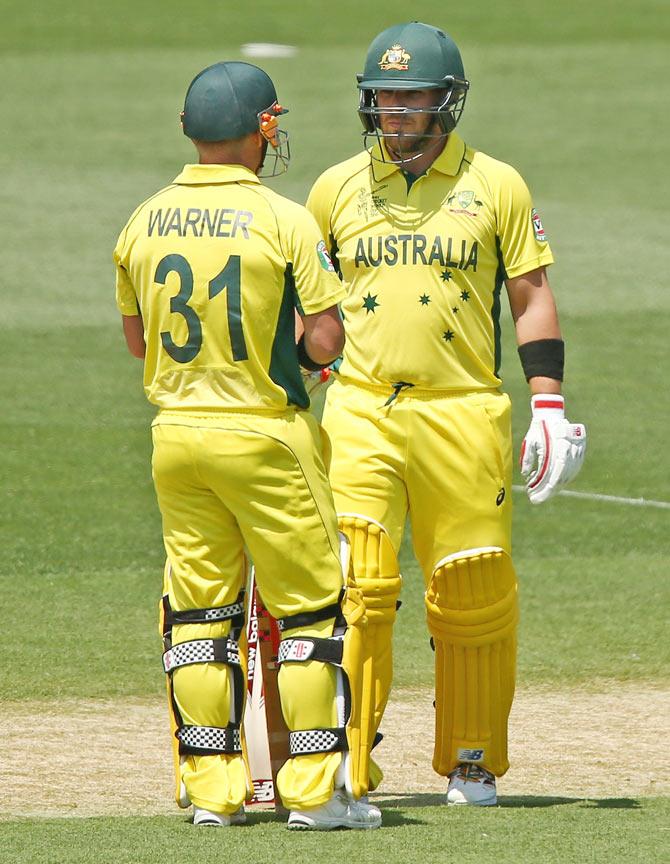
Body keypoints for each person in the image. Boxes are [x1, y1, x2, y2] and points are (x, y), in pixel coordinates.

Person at [306, 22, 586, 807]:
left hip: (464, 412)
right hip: (360, 408)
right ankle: (342, 763)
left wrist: (550, 405)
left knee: (473, 592)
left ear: (446, 102)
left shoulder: (497, 185)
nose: (396, 113)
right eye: (383, 98)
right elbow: (309, 307)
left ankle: (472, 759)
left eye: (411, 97)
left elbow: (530, 297)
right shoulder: (334, 188)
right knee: (357, 586)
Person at [113, 60, 381, 830]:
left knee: (199, 616)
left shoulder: (142, 219)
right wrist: (305, 353)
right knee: (311, 614)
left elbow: (138, 343)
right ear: (262, 129)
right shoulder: (285, 218)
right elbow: (326, 337)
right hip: (265, 435)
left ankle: (213, 796)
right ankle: (316, 795)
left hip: (175, 439)